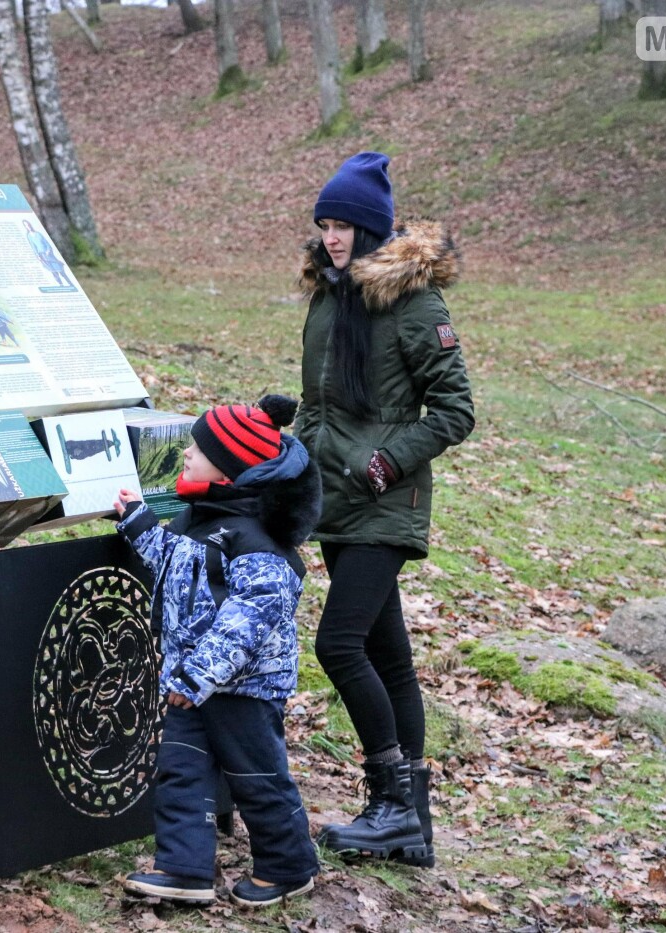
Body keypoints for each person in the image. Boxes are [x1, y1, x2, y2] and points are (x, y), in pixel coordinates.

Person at [292, 152, 474, 866]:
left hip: (384, 496)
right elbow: (320, 402)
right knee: (388, 654)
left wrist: (387, 458)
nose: (333, 237)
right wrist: (292, 445)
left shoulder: (417, 304)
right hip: (333, 495)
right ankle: (413, 825)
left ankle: (391, 803)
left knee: (339, 643)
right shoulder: (327, 296)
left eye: (346, 225)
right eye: (326, 224)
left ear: (375, 229)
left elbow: (456, 410)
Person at [115, 395, 322, 908]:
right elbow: (178, 569)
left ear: (230, 468)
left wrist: (197, 675)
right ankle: (183, 869)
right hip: (191, 683)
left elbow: (249, 619)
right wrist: (141, 527)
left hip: (241, 689)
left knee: (257, 778)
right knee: (181, 770)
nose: (187, 454)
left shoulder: (256, 542)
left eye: (199, 449)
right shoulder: (198, 520)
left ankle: (289, 865)